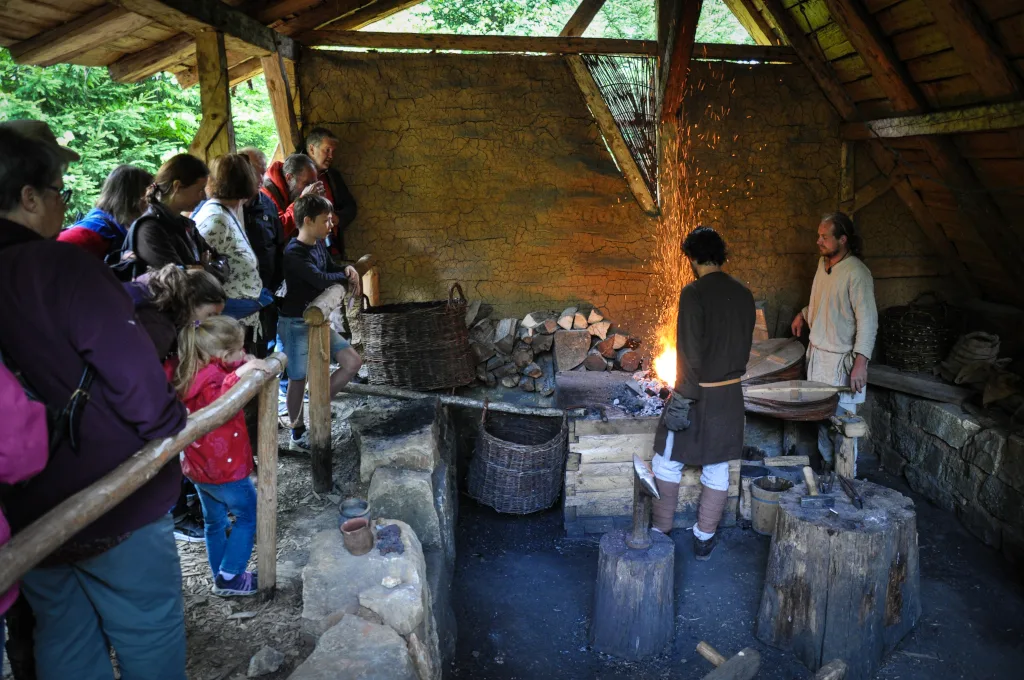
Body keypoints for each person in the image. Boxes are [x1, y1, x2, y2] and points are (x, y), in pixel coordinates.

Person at [0, 122, 189, 679]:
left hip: (24, 507)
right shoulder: (59, 266)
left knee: (64, 632)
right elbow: (134, 381)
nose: (65, 200)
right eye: (58, 188)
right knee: (147, 623)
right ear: (28, 197)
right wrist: (166, 421)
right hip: (110, 491)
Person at [650, 227, 754, 560]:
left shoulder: (693, 292)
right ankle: (704, 539)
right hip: (730, 394)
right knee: (717, 466)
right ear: (722, 255)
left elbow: (690, 352)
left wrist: (681, 398)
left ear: (692, 259)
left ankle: (660, 533)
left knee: (665, 461)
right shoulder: (744, 293)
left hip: (699, 393)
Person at [171, 316, 269, 596]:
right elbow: (221, 397)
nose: (243, 354)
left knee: (215, 522)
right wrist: (243, 371)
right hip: (225, 469)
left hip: (199, 468)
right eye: (239, 350)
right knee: (248, 515)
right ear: (223, 354)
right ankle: (230, 576)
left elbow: (221, 372)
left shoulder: (191, 370)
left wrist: (241, 363)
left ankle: (220, 574)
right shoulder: (215, 381)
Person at [790, 212, 877, 469]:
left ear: (843, 239)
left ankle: (844, 477)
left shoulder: (857, 273)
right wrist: (804, 314)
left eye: (824, 237)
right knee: (822, 420)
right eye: (818, 236)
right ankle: (827, 471)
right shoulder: (823, 264)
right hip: (818, 358)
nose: (818, 241)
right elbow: (825, 300)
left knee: (843, 426)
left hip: (841, 363)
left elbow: (868, 321)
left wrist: (860, 362)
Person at [279, 195, 362, 451]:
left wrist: (347, 268)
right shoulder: (293, 252)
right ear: (307, 220)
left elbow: (329, 268)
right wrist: (344, 276)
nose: (331, 225)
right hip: (295, 322)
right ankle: (297, 431)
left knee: (352, 362)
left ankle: (318, 403)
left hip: (318, 319)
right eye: (326, 221)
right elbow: (319, 279)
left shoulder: (318, 244)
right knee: (297, 378)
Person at [194, 154, 266, 330]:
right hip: (226, 326)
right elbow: (195, 269)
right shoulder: (215, 219)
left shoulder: (225, 212)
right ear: (244, 179)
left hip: (239, 321)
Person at [130, 153, 221, 278]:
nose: (204, 197)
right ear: (177, 186)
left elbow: (221, 262)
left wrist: (200, 269)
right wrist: (204, 267)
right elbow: (176, 280)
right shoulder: (149, 228)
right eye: (200, 190)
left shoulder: (186, 225)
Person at [57, 164, 152, 261]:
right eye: (149, 193)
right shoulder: (94, 230)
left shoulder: (115, 224)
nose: (151, 200)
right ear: (136, 197)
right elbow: (52, 253)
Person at [304, 127, 357, 258]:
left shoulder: (333, 177)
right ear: (312, 149)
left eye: (333, 152)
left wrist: (337, 218)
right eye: (327, 150)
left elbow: (351, 207)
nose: (331, 156)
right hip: (308, 252)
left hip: (331, 249)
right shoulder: (296, 177)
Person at [261, 153, 322, 238]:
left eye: (314, 183)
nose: (310, 188)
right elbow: (279, 229)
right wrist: (302, 201)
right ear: (289, 178)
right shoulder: (266, 191)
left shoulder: (293, 185)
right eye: (307, 184)